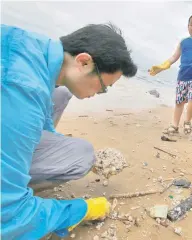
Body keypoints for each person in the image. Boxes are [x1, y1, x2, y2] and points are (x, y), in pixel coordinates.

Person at [1, 23, 137, 239]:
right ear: (83, 62)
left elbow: (43, 122)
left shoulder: (33, 50)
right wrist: (80, 211)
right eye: (103, 87)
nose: (100, 93)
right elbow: (7, 218)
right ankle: (14, 185)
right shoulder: (22, 92)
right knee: (81, 156)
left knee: (60, 93)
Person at [148, 14, 192, 134]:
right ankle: (174, 125)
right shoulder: (183, 42)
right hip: (183, 76)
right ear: (188, 26)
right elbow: (174, 57)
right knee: (179, 102)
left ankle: (187, 122)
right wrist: (162, 66)